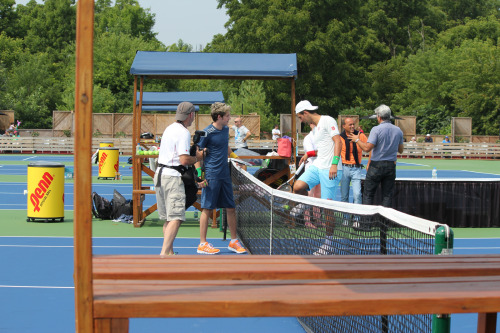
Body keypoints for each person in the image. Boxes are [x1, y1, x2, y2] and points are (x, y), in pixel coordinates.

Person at [154, 102, 205, 256]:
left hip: (159, 175)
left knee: (168, 219)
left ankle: (169, 254)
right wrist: (198, 156)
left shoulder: (169, 129)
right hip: (172, 176)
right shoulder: (183, 132)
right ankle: (163, 255)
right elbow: (183, 160)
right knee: (176, 217)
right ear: (191, 115)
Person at [197, 102, 247, 255]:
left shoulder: (225, 130)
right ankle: (202, 243)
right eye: (227, 116)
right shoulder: (207, 132)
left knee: (231, 208)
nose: (229, 119)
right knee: (207, 208)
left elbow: (226, 147)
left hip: (225, 175)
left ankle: (233, 241)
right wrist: (199, 174)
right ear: (219, 117)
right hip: (211, 175)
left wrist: (236, 157)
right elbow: (197, 155)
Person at [348, 104, 403, 207]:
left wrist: (356, 140)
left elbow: (367, 148)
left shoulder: (376, 129)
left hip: (376, 165)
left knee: (368, 194)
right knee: (387, 196)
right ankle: (384, 221)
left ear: (379, 116)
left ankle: (366, 222)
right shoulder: (398, 130)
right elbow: (400, 150)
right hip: (391, 165)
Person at [293, 100, 342, 200]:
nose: (301, 121)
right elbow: (324, 149)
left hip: (329, 168)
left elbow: (338, 142)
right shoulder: (315, 130)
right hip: (317, 166)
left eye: (300, 117)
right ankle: (307, 206)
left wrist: (334, 164)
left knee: (327, 208)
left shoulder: (328, 120)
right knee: (297, 187)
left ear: (305, 113)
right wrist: (308, 154)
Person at [340, 117, 367, 204]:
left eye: (353, 124)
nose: (352, 126)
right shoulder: (340, 138)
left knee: (357, 195)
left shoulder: (360, 135)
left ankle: (356, 217)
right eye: (350, 124)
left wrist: (358, 140)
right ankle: (345, 217)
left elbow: (368, 147)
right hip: (344, 168)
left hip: (356, 168)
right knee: (344, 196)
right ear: (344, 126)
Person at [302, 123, 321, 228]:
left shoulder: (322, 137)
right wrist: (324, 152)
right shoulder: (308, 138)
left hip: (320, 169)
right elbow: (310, 153)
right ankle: (307, 221)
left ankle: (317, 219)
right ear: (310, 125)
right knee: (309, 195)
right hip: (310, 169)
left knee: (318, 196)